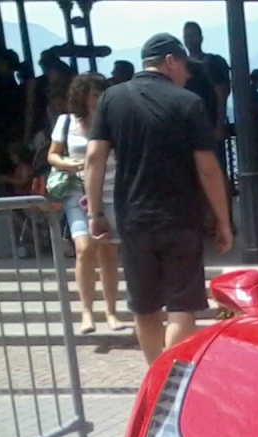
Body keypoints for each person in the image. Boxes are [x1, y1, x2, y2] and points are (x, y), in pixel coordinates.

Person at [84, 33, 232, 366]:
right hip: (180, 219)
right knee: (182, 308)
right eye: (185, 66)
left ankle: (156, 376)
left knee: (145, 307)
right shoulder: (188, 102)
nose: (189, 74)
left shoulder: (111, 98)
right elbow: (208, 169)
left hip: (133, 218)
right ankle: (171, 377)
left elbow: (94, 157)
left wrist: (95, 212)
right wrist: (223, 221)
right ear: (169, 61)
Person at [48, 72, 127, 335]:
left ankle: (111, 311)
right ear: (81, 97)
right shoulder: (66, 122)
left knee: (108, 253)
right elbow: (53, 155)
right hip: (77, 191)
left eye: (99, 94)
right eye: (92, 94)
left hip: (110, 191)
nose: (95, 99)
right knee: (84, 249)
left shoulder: (114, 120)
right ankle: (86, 312)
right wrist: (69, 164)